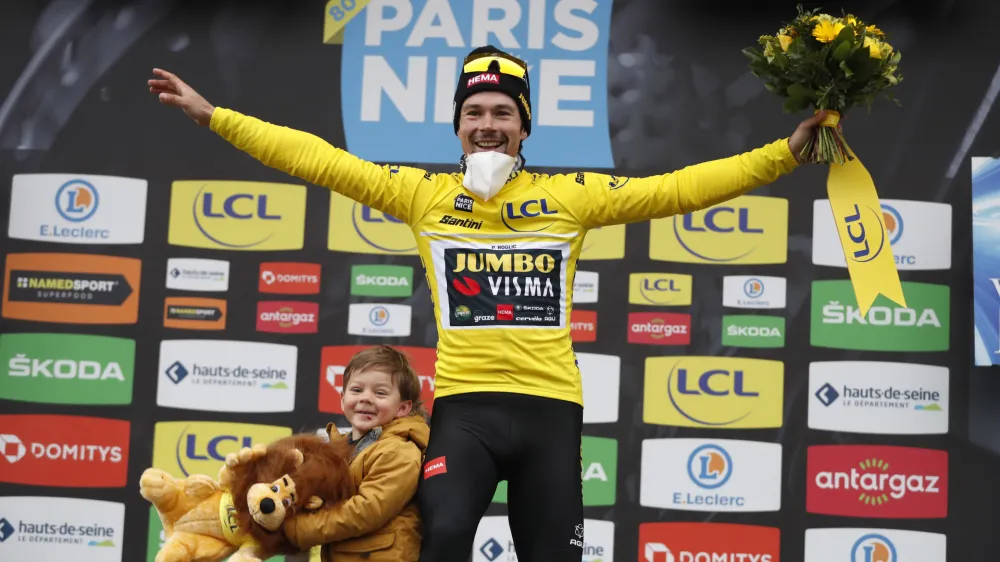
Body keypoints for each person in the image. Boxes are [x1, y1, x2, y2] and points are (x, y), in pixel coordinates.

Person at [149, 44, 827, 562]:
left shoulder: (571, 197)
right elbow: (319, 159)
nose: (487, 126)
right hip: (466, 412)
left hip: (548, 411)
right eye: (474, 114)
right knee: (441, 536)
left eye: (503, 113)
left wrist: (785, 155)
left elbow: (679, 189)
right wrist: (216, 117)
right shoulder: (425, 197)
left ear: (524, 127)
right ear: (457, 127)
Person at [281, 345, 429, 561]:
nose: (366, 398)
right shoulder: (339, 448)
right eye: (357, 390)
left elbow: (366, 511)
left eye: (380, 393)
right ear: (342, 399)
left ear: (402, 408)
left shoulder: (399, 450)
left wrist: (299, 529)